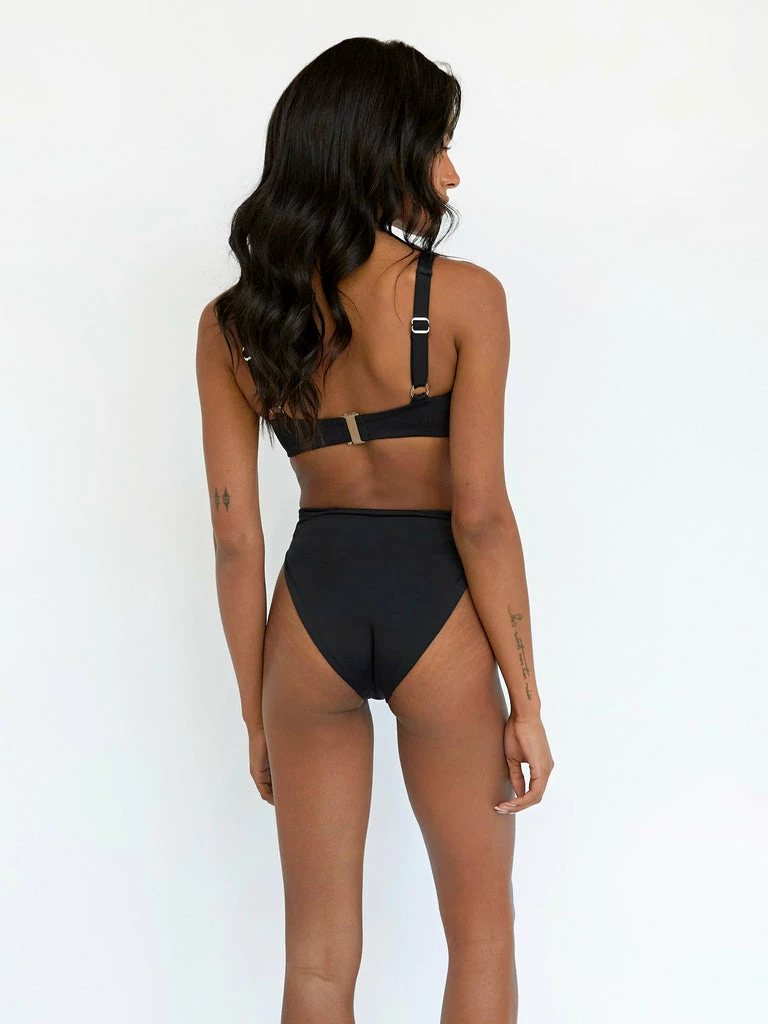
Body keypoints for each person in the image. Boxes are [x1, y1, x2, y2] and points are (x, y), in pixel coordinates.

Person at [196, 36, 554, 1024]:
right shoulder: (466, 298)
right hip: (436, 613)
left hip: (309, 617)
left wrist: (256, 709)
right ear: (379, 152)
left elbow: (235, 543)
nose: (451, 174)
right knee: (481, 933)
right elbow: (481, 516)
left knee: (316, 959)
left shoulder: (233, 323)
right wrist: (526, 701)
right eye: (436, 146)